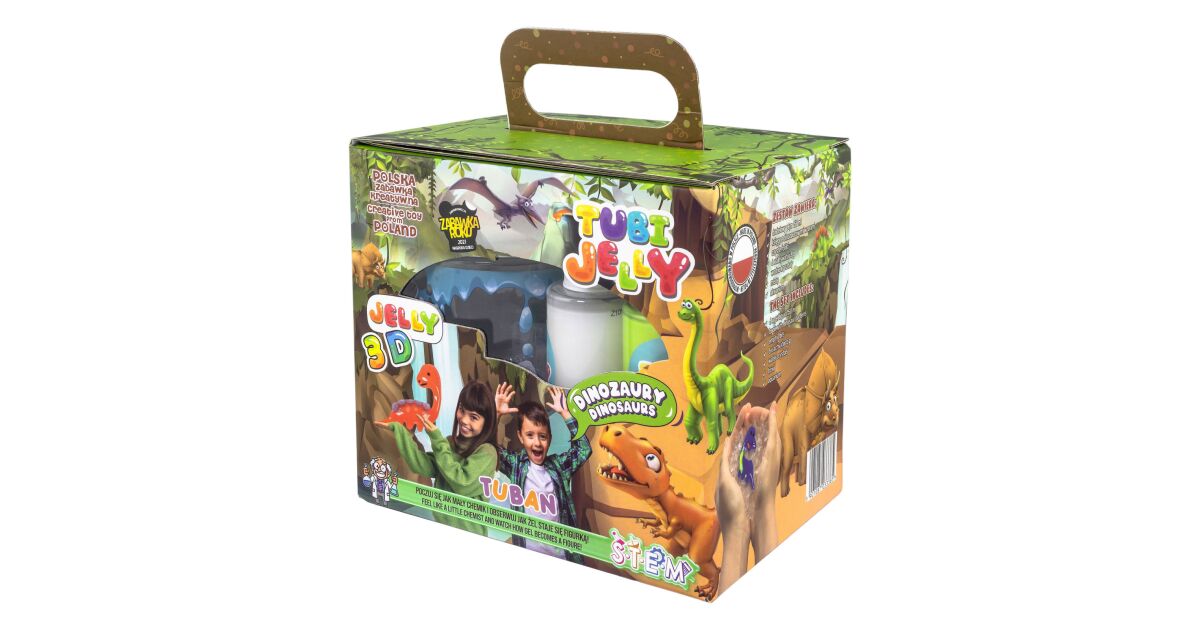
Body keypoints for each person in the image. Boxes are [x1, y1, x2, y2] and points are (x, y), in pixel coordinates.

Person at [377, 380, 498, 535]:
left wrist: (437, 439)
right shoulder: (449, 444)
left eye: (474, 417)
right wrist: (399, 430)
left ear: (486, 422)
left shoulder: (487, 452)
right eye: (462, 410)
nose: (464, 420)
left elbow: (462, 483)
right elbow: (421, 465)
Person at [494, 383, 592, 561]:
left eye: (543, 436)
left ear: (550, 439)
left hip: (562, 556)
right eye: (530, 435)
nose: (537, 443)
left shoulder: (558, 466)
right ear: (520, 436)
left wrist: (565, 413)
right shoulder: (516, 465)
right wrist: (497, 415)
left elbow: (583, 449)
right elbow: (490, 450)